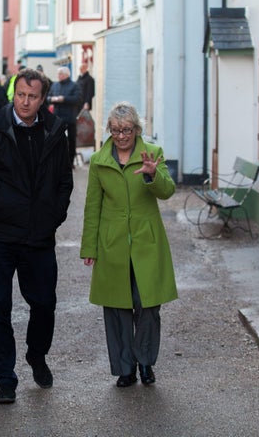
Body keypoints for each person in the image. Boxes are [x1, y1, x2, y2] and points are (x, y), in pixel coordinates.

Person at [0, 68, 74, 404]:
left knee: (44, 304)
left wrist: (52, 218)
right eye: (21, 95)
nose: (25, 102)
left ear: (42, 100)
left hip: (38, 237)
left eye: (32, 97)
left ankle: (36, 356)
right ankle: (5, 378)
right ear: (15, 94)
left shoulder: (55, 132)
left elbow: (64, 182)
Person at [79, 101, 178, 388]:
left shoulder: (153, 154)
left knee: (148, 306)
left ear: (137, 129)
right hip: (112, 243)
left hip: (147, 241)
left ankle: (145, 362)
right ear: (108, 130)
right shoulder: (99, 160)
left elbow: (168, 191)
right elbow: (92, 206)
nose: (121, 135)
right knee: (116, 307)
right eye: (115, 130)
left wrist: (151, 174)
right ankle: (125, 368)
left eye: (127, 129)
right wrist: (89, 247)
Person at [47, 66, 82, 166]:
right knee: (55, 139)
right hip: (57, 117)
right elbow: (47, 97)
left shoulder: (74, 86)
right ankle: (56, 161)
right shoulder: (55, 85)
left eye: (60, 74)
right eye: (58, 74)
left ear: (66, 75)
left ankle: (70, 162)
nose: (58, 76)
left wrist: (64, 99)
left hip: (70, 117)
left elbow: (78, 99)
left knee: (71, 140)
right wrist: (52, 99)